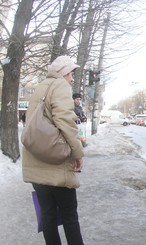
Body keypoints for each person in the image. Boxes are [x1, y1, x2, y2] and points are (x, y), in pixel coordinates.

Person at [22, 55, 85, 245]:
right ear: (64, 73)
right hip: (56, 163)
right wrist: (77, 153)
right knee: (69, 217)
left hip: (35, 160)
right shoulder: (60, 86)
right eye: (71, 73)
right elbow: (65, 122)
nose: (72, 78)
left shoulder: (40, 88)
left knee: (48, 216)